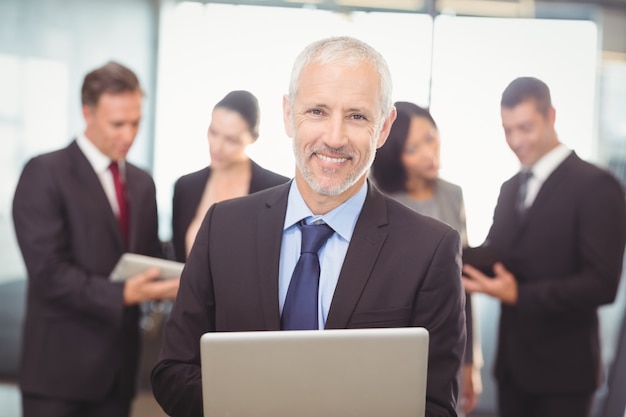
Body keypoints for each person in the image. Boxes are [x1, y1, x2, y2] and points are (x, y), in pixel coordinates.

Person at [151, 36, 466, 417]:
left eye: (357, 116)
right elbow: (173, 371)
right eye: (317, 111)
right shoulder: (223, 228)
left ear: (384, 127)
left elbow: (434, 407)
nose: (334, 138)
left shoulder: (430, 250)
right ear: (287, 114)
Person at [12, 61, 180, 417]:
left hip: (118, 373)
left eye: (136, 122)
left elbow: (147, 253)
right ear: (87, 113)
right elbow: (48, 273)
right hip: (57, 377)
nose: (129, 135)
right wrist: (125, 293)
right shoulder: (45, 173)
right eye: (117, 124)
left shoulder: (141, 182)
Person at [462, 76, 626, 417]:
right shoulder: (510, 187)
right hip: (511, 369)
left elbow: (602, 284)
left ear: (551, 116)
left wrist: (519, 295)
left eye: (525, 127)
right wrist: (439, 251)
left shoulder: (597, 186)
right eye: (508, 130)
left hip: (564, 375)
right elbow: (499, 253)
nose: (516, 141)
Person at [371, 101, 482, 415]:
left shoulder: (453, 195)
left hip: (444, 335)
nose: (429, 153)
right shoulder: (375, 196)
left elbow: (464, 283)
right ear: (395, 154)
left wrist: (470, 362)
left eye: (431, 138)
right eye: (413, 148)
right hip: (389, 340)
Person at [171, 90, 289, 262]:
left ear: (253, 138)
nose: (217, 147)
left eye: (231, 140)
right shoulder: (185, 187)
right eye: (213, 132)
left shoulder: (277, 190)